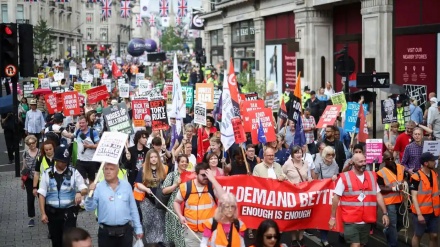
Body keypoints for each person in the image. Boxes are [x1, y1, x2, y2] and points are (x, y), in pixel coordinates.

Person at [329, 153, 390, 247]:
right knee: (355, 244)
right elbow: (336, 198)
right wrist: (332, 217)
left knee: (362, 244)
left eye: (365, 161)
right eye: (360, 161)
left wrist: (385, 213)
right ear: (353, 163)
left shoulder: (371, 176)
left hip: (367, 219)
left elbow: (378, 195)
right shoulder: (344, 177)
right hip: (351, 220)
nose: (364, 163)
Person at [38, 145, 88, 247]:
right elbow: (42, 194)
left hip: (69, 213)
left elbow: (84, 189)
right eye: (62, 161)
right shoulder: (47, 173)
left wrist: (79, 192)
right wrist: (43, 213)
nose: (64, 163)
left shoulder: (74, 172)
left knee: (69, 241)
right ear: (56, 160)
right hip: (53, 213)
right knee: (56, 241)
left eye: (66, 161)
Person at [85, 162, 143, 247]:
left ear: (117, 171)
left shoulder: (126, 186)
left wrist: (138, 228)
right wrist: (90, 195)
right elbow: (89, 208)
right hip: (106, 233)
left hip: (125, 233)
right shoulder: (98, 187)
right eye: (106, 169)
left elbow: (133, 209)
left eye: (111, 169)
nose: (108, 172)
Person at [173, 163, 226, 247]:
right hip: (191, 233)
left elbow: (224, 198)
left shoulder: (212, 186)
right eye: (203, 175)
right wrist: (180, 216)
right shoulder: (186, 187)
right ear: (196, 174)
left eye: (207, 175)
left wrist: (213, 179)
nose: (206, 177)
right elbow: (176, 202)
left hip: (210, 232)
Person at [134, 149, 168, 244]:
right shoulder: (143, 169)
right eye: (151, 157)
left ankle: (160, 242)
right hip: (147, 200)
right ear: (148, 159)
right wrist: (146, 189)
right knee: (149, 222)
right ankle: (150, 243)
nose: (153, 159)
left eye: (155, 157)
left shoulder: (163, 168)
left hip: (159, 200)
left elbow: (166, 182)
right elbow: (138, 183)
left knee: (160, 221)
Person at [409, 152, 439, 247]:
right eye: (433, 161)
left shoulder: (434, 174)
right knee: (418, 235)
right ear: (426, 163)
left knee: (434, 235)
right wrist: (419, 214)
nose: (435, 162)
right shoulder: (416, 177)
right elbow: (414, 196)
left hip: (434, 212)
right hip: (421, 213)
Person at [377, 151, 406, 247]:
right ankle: (393, 244)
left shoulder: (401, 168)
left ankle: (387, 231)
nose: (390, 161)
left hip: (401, 200)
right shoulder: (381, 173)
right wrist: (393, 188)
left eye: (391, 159)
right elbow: (379, 187)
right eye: (387, 159)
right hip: (390, 202)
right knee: (393, 224)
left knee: (401, 223)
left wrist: (404, 185)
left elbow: (405, 179)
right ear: (384, 160)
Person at [313, 146, 339, 247]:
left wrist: (335, 178)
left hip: (331, 193)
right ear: (324, 155)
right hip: (321, 193)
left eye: (332, 154)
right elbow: (315, 180)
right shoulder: (318, 164)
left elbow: (337, 176)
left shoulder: (335, 164)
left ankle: (325, 235)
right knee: (323, 214)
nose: (331, 156)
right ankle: (324, 238)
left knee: (329, 214)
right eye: (328, 154)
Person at [162, 155, 189, 247]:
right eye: (182, 161)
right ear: (178, 163)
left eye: (186, 161)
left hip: (187, 207)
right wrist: (175, 185)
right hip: (174, 207)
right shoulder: (172, 175)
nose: (184, 163)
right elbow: (164, 190)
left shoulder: (190, 175)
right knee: (177, 234)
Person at [75, 116, 100, 183]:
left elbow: (99, 145)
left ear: (87, 123)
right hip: (80, 160)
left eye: (83, 123)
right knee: (80, 180)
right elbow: (71, 136)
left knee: (91, 180)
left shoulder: (93, 132)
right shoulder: (77, 132)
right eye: (80, 123)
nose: (81, 125)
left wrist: (90, 146)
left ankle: (91, 193)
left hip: (91, 161)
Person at [21, 135, 39, 227]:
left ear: (36, 142)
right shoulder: (25, 153)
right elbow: (24, 167)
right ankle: (31, 217)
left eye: (34, 142)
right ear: (27, 144)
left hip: (40, 178)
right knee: (30, 198)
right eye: (30, 143)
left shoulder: (40, 152)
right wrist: (22, 181)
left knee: (42, 197)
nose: (32, 145)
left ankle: (46, 213)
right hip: (29, 179)